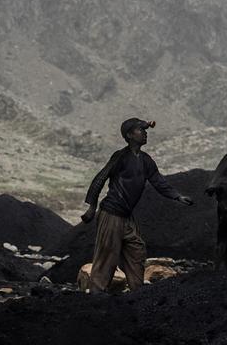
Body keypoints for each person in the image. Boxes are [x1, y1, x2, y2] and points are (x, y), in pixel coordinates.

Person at [81, 118, 194, 292]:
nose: (145, 133)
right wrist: (91, 207)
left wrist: (177, 196)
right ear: (129, 135)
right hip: (111, 213)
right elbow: (100, 178)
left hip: (126, 216)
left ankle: (138, 293)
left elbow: (158, 181)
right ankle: (96, 295)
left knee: (137, 249)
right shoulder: (120, 157)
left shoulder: (146, 160)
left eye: (145, 130)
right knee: (107, 256)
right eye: (140, 130)